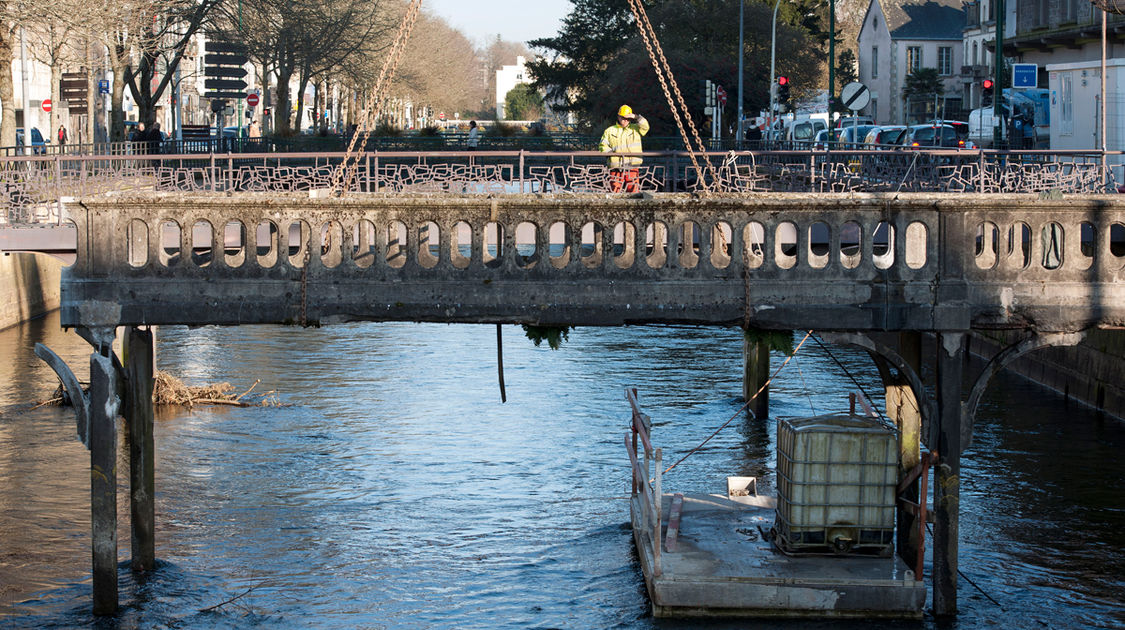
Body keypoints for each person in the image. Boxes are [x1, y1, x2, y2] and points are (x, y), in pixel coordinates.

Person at [598, 104, 649, 192]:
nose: (625, 120)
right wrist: (611, 155)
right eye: (623, 117)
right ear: (618, 117)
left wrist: (636, 117)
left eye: (627, 118)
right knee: (614, 192)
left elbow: (646, 127)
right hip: (616, 167)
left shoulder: (636, 129)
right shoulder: (610, 131)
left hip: (632, 167)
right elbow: (602, 146)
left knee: (633, 193)